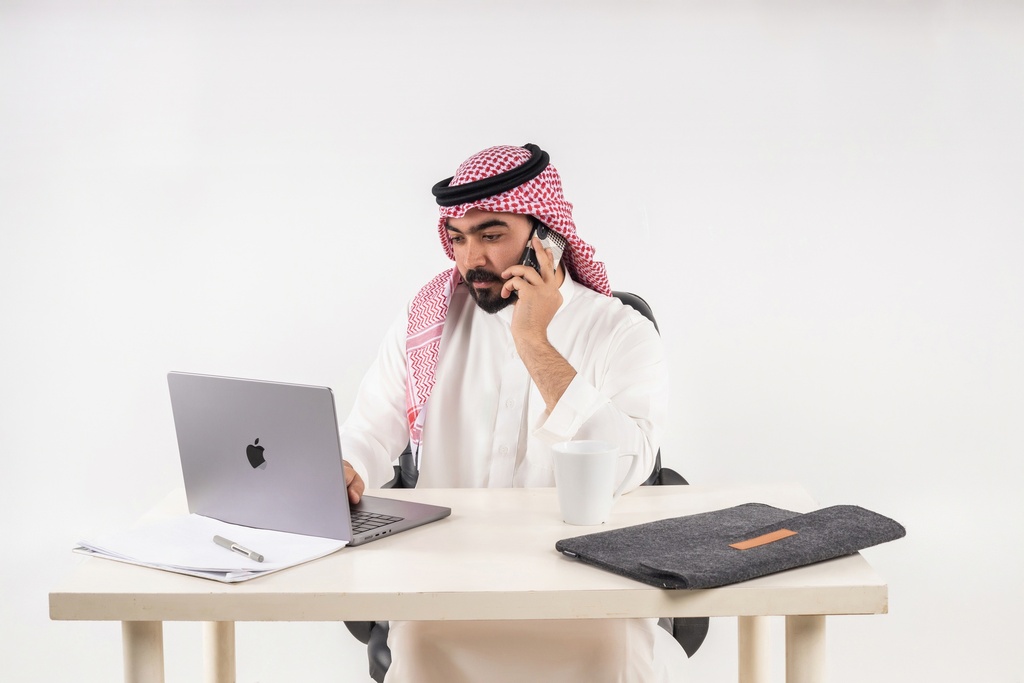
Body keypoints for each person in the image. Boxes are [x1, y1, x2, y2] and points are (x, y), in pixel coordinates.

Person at [339, 144, 686, 682]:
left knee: (616, 653)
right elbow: (368, 429)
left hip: (586, 593)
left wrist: (533, 342)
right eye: (458, 238)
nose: (469, 258)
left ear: (544, 236)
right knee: (424, 650)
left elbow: (627, 465)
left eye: (491, 235)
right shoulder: (428, 321)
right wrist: (347, 469)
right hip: (448, 590)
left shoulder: (620, 331)